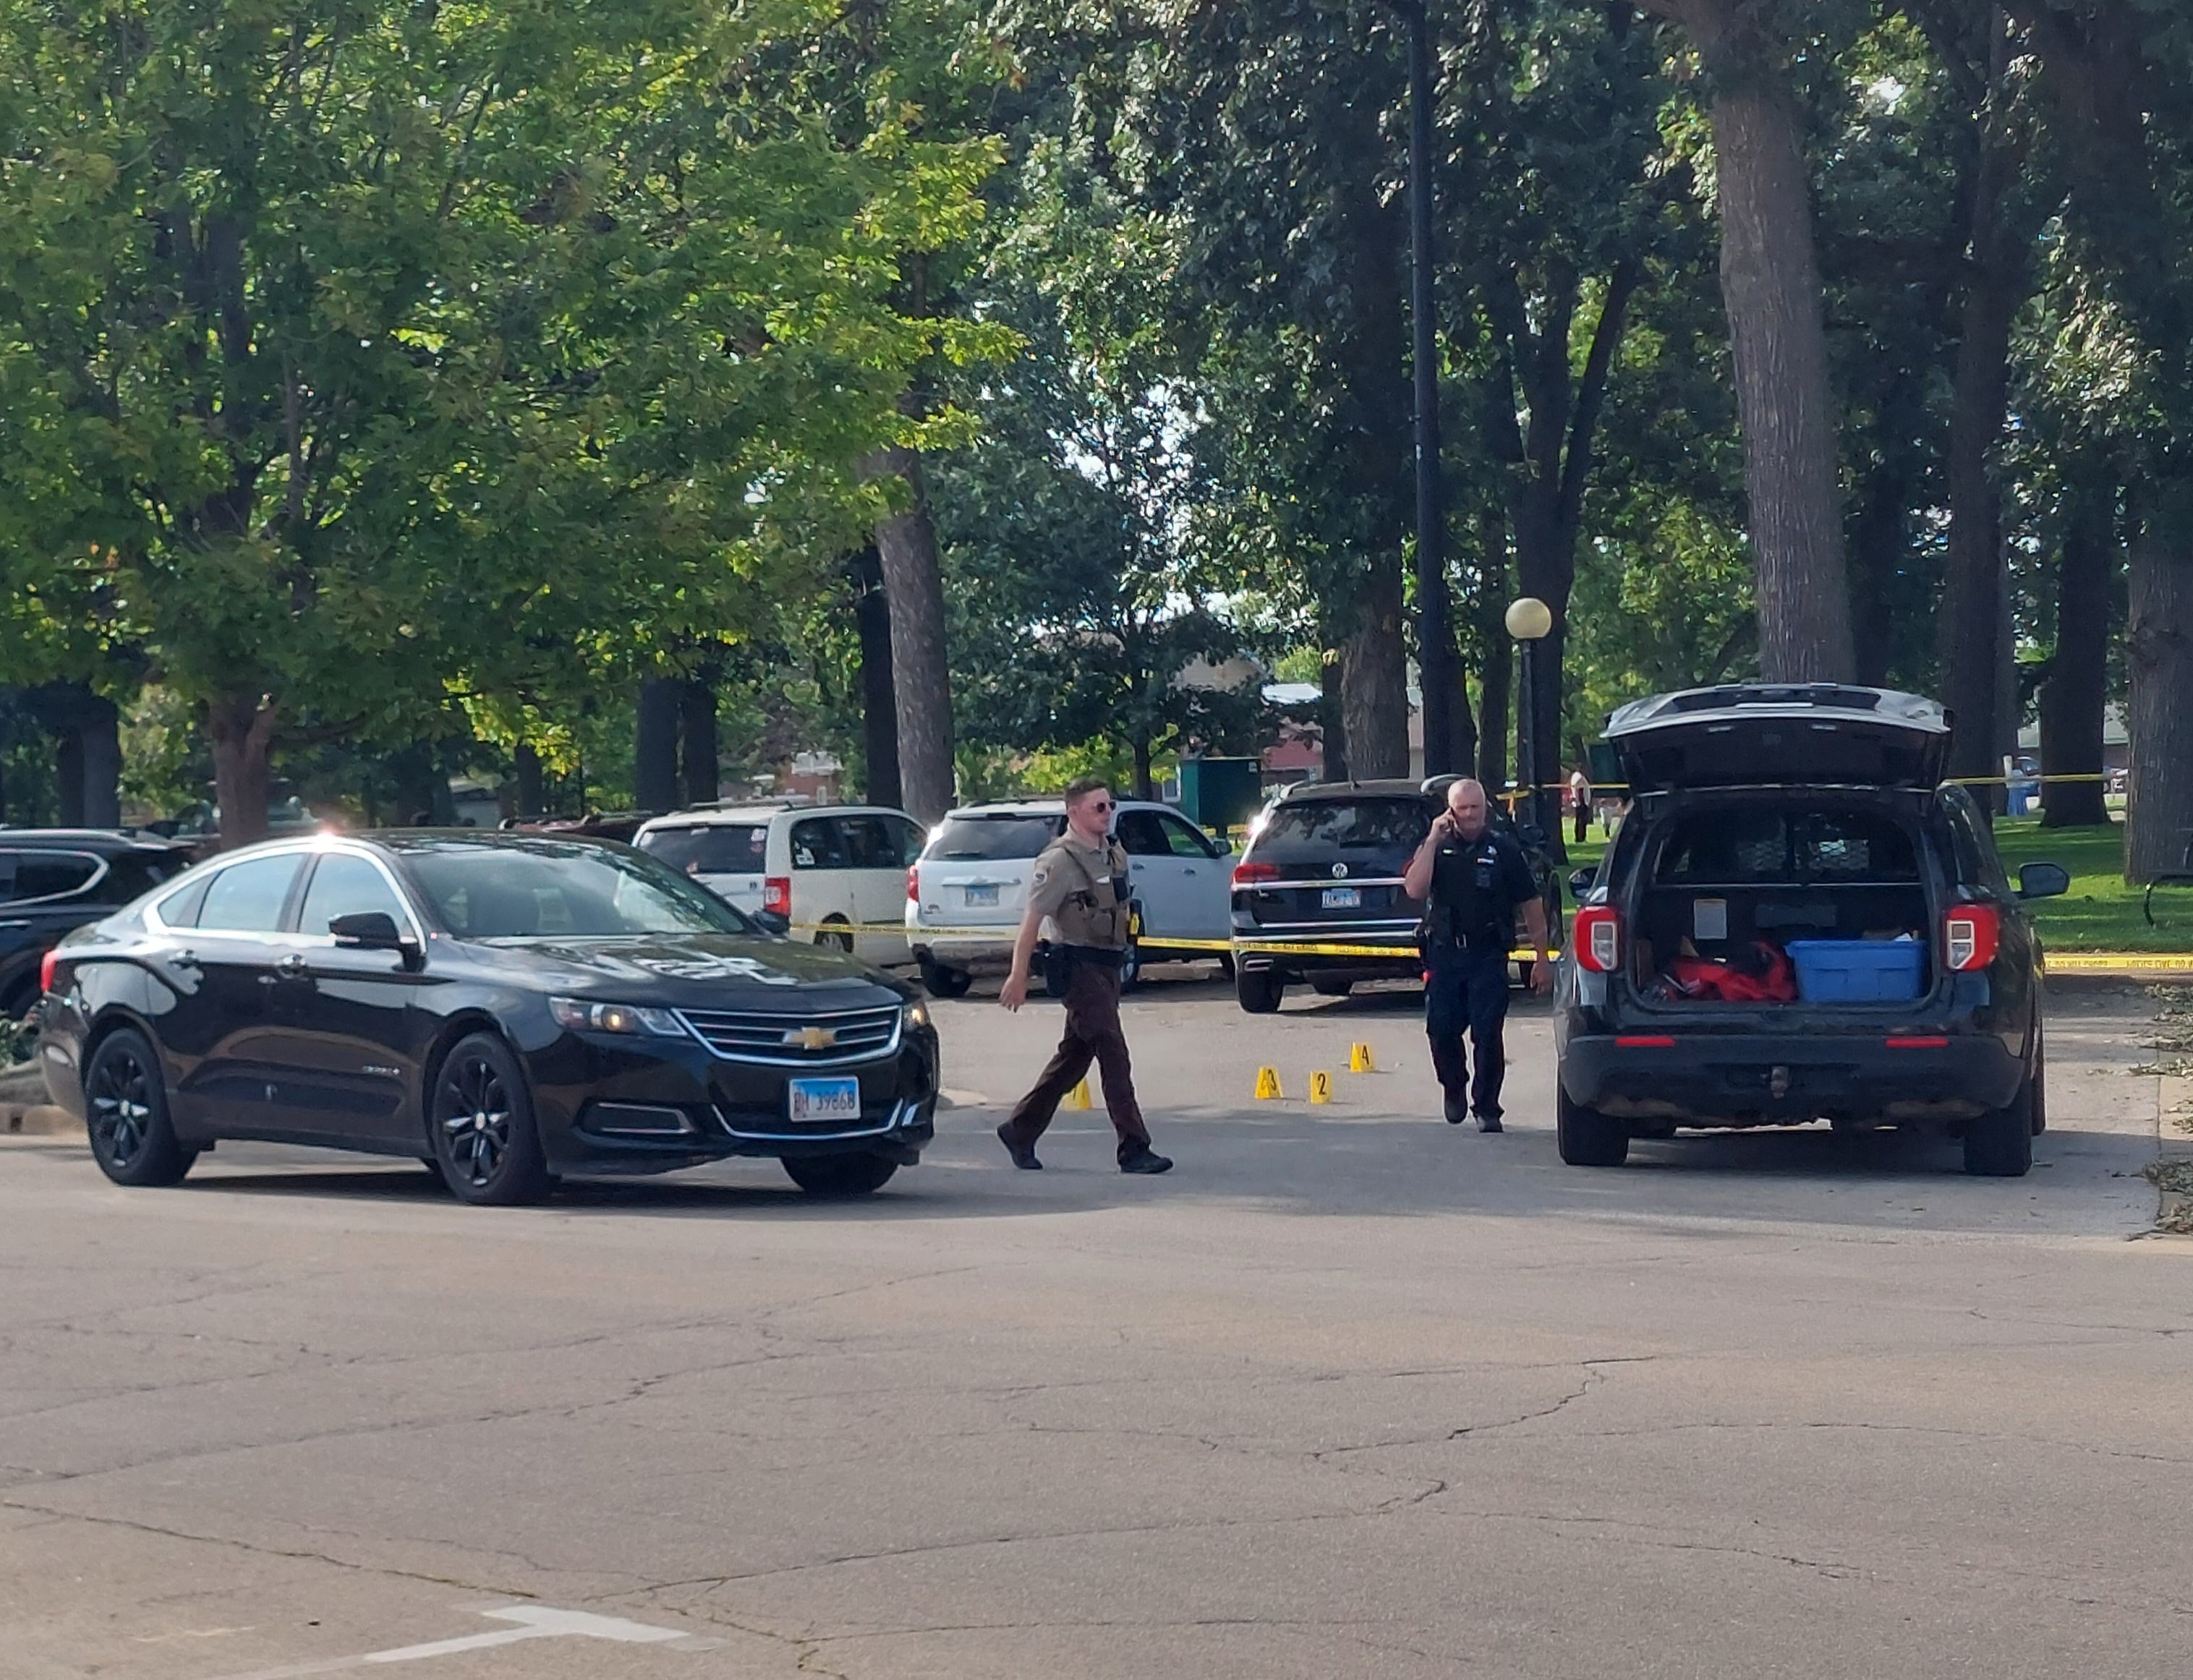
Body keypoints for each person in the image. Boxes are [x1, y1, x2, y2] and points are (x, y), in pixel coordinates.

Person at [995, 778, 1174, 1175]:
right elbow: (1032, 922)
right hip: (1077, 966)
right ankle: (1134, 1147)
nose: (1107, 813)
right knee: (1113, 1051)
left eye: (1109, 806)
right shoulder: (1058, 861)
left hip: (1109, 965)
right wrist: (1017, 974)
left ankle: (1020, 1130)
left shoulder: (1113, 854)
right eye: (1098, 808)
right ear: (1073, 812)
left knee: (1074, 1059)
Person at [1402, 778, 1552, 1131]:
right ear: (1451, 811)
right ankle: (1453, 1086)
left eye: (1476, 808)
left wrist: (1542, 958)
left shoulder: (1503, 849)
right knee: (1441, 1030)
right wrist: (1433, 838)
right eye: (1463, 809)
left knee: (1487, 1033)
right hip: (1444, 954)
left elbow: (1531, 904)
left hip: (1488, 954)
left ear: (1486, 809)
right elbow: (1414, 888)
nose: (1470, 816)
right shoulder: (1436, 847)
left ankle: (1487, 1107)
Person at [1570, 765, 1592, 845]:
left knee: (1582, 821)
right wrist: (1578, 801)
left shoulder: (1580, 777)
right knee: (1580, 821)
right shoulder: (1578, 777)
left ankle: (1582, 837)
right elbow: (1577, 790)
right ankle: (1580, 837)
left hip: (1582, 802)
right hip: (1581, 802)